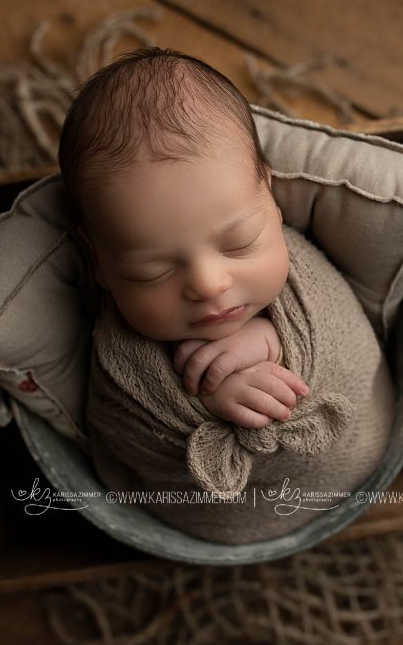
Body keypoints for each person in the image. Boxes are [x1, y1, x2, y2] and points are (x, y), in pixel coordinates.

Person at [58, 46, 309, 429]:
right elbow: (116, 437)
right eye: (152, 271)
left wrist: (278, 341)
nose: (208, 285)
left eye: (239, 243)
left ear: (271, 198)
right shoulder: (118, 354)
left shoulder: (303, 265)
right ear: (98, 262)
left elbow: (351, 333)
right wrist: (203, 402)